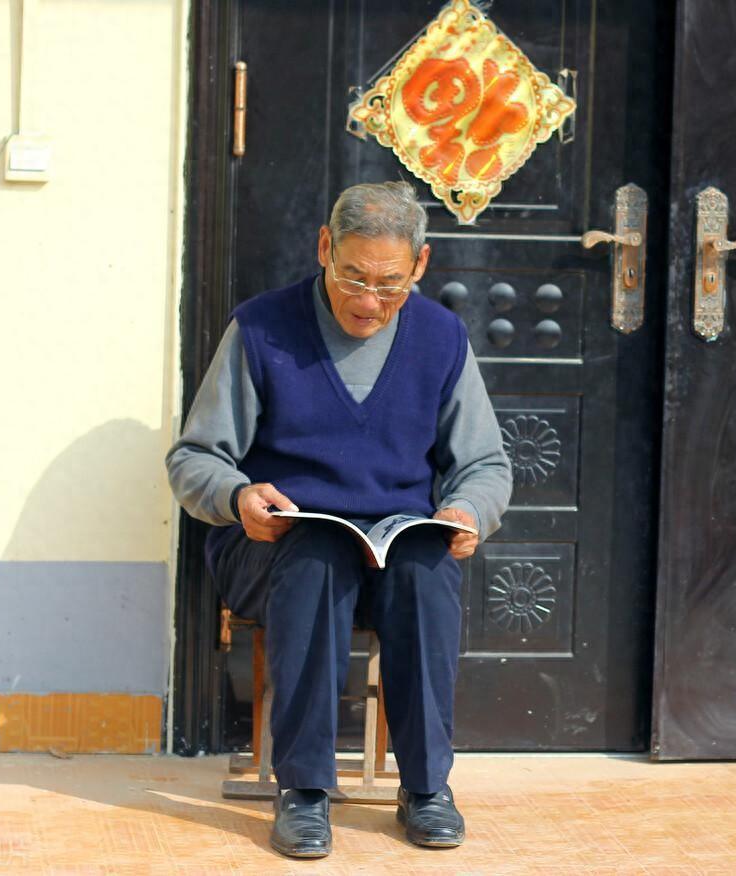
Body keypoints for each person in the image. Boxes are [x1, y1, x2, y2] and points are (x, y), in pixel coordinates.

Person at [166, 181, 512, 858]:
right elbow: (195, 457)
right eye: (352, 275)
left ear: (420, 265)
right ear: (324, 247)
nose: (366, 300)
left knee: (425, 568)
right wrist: (238, 497)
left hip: (392, 543)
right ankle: (303, 789)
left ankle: (427, 787)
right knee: (318, 556)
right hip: (276, 543)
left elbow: (485, 462)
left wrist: (470, 510)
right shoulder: (262, 328)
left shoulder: (441, 338)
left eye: (388, 284)